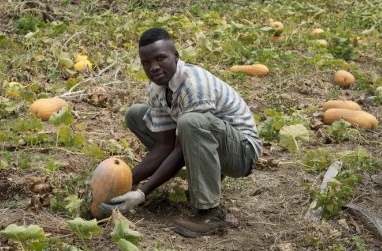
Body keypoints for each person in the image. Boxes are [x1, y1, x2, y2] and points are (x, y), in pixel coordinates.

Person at [99, 28, 262, 237]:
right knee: (136, 114)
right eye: (146, 63)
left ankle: (211, 214)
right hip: (210, 142)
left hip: (242, 153)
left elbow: (178, 150)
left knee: (190, 122)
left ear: (175, 56)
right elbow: (165, 145)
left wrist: (142, 193)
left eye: (160, 58)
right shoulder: (158, 89)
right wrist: (123, 182)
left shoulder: (195, 85)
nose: (154, 67)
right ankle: (204, 176)